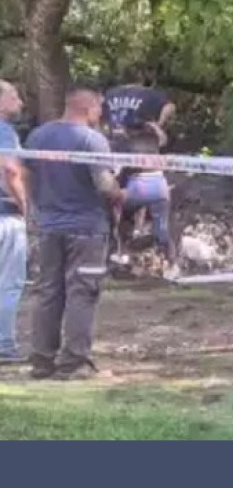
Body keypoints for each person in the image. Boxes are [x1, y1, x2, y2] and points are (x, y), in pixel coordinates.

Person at [25, 87, 122, 380]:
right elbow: (104, 184)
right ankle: (74, 363)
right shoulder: (92, 140)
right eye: (99, 109)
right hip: (86, 229)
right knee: (83, 292)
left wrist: (36, 209)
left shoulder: (38, 136)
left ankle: (42, 360)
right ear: (88, 108)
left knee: (48, 292)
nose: (101, 115)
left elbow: (27, 175)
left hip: (48, 227)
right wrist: (121, 194)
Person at [114, 124, 175, 270]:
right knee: (162, 230)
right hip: (159, 185)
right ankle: (172, 262)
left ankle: (123, 253)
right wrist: (156, 126)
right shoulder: (154, 141)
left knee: (123, 221)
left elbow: (122, 170)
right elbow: (164, 140)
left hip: (138, 185)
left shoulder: (129, 144)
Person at [0, 81, 28, 364]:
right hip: (4, 214)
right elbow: (10, 170)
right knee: (9, 282)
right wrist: (24, 205)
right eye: (14, 97)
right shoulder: (4, 132)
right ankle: (4, 345)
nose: (20, 103)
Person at [104, 74, 174, 147]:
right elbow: (170, 107)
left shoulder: (110, 93)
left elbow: (100, 112)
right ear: (140, 81)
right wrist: (159, 124)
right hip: (140, 139)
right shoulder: (146, 93)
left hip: (113, 137)